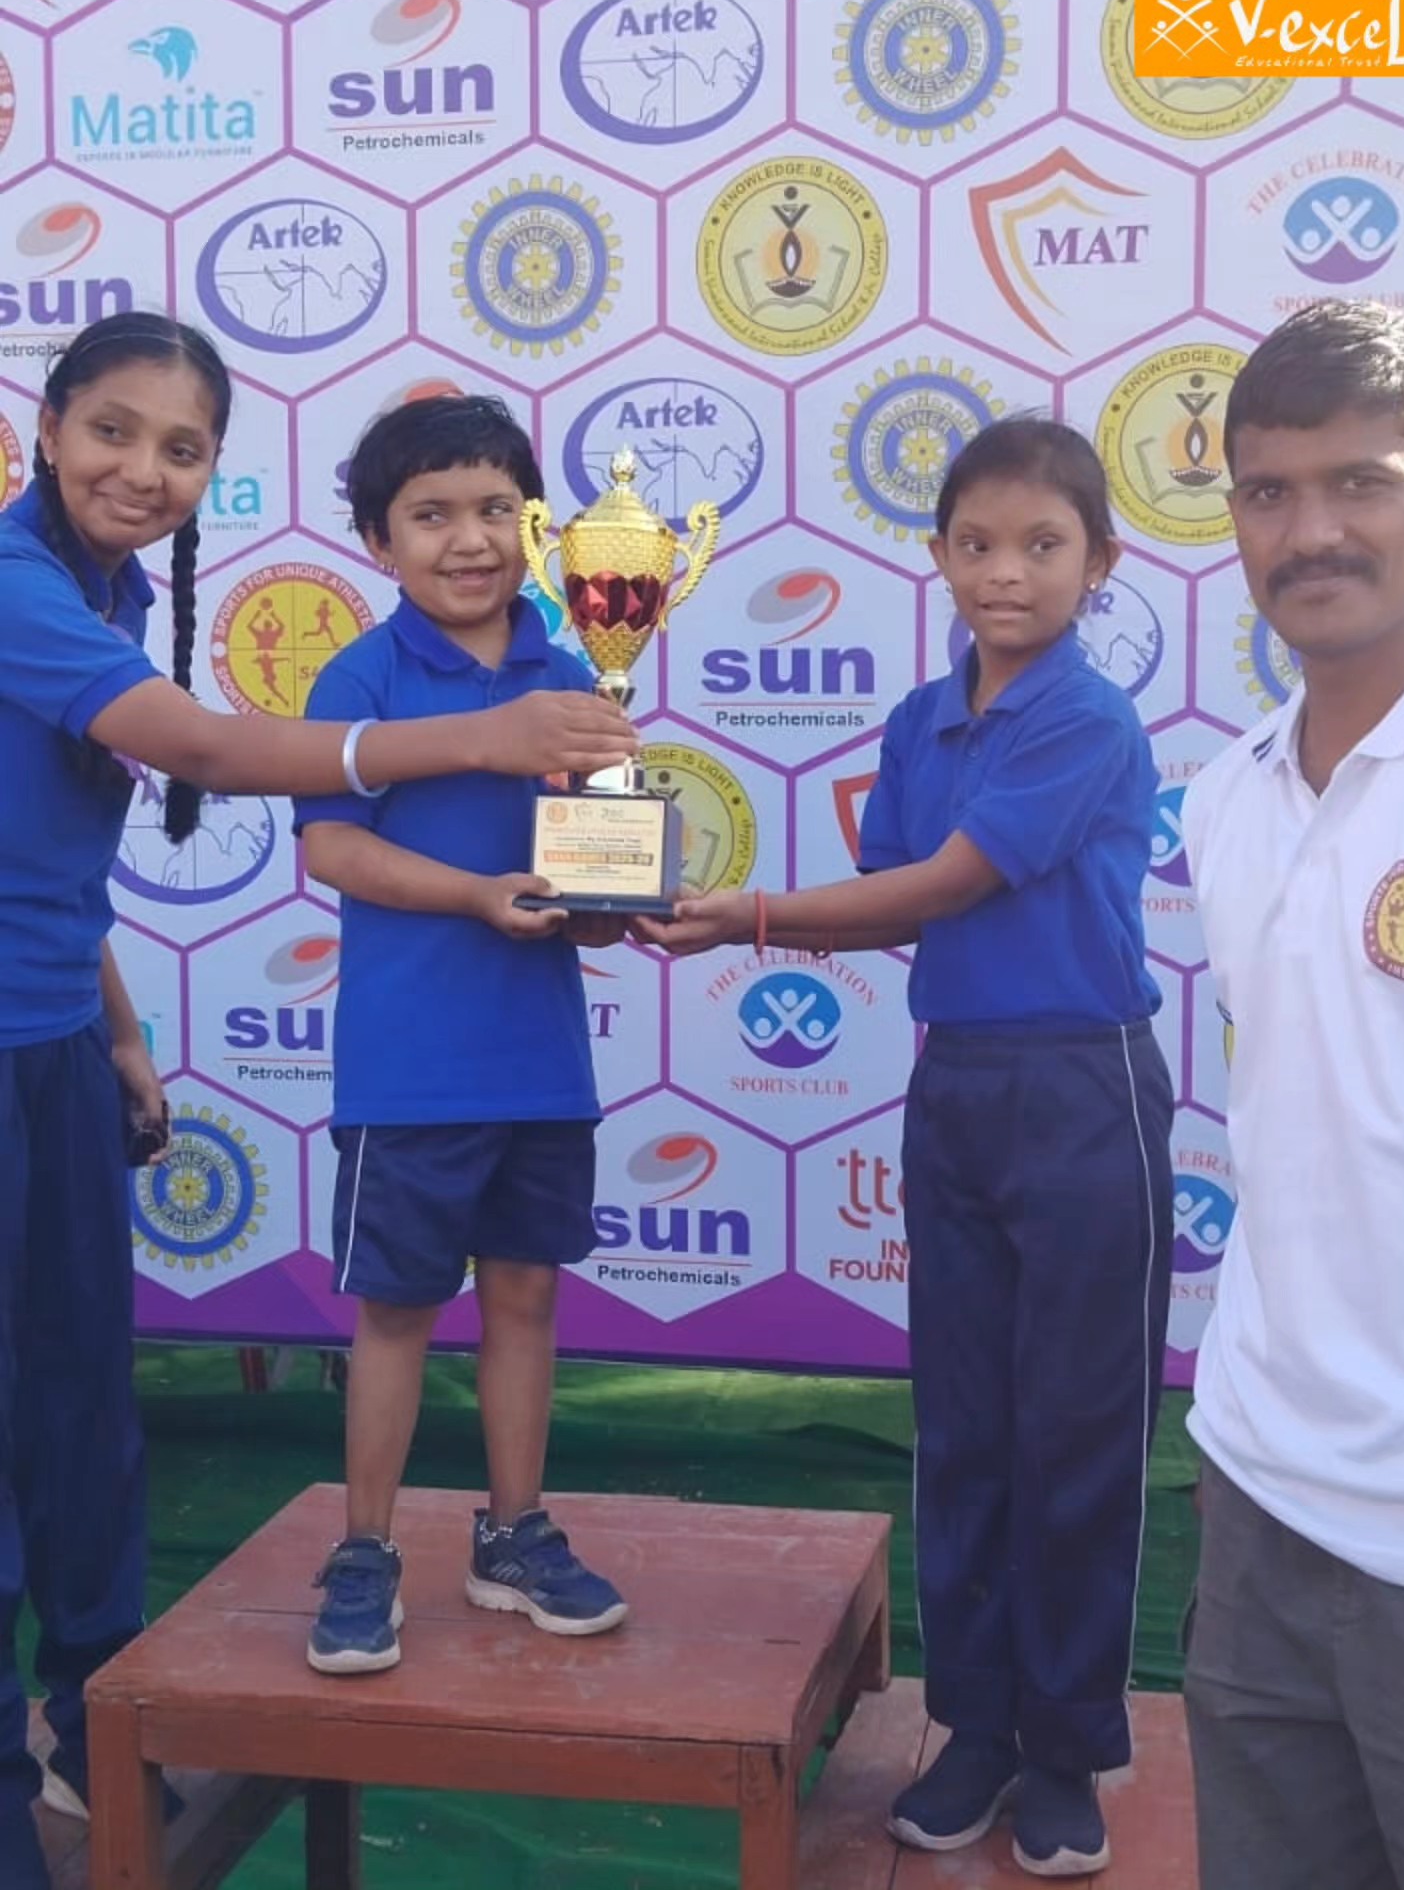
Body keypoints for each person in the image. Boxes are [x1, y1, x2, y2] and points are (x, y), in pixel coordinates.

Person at [0, 315, 635, 1889]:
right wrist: (483, 743)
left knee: (83, 1409)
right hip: (52, 1057)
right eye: (113, 432)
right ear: (48, 425)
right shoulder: (19, 588)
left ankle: (87, 1722)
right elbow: (210, 749)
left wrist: (121, 1034)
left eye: (183, 448)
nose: (143, 471)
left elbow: (39, 867)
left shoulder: (112, 591)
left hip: (57, 1043)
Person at [640, 416, 1174, 1877]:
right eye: (978, 543)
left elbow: (937, 887)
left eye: (1043, 545)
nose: (1008, 572)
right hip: (957, 1089)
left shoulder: (1087, 720)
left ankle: (1068, 1749)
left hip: (1085, 1090)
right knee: (965, 1426)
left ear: (1102, 562)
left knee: (1077, 1434)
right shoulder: (917, 720)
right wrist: (705, 900)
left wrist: (741, 917)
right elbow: (893, 891)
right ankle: (978, 1727)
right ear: (937, 555)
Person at [294, 394, 629, 1679]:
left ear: (534, 529)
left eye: (496, 509)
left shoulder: (578, 672)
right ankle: (365, 1549)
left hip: (542, 1063)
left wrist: (609, 903)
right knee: (395, 1313)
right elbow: (334, 849)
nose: (469, 539)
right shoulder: (361, 679)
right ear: (380, 542)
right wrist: (477, 897)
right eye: (431, 515)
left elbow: (591, 859)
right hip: (410, 1067)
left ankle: (514, 1534)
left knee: (526, 1300)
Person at [1179, 300, 1404, 1890]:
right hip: (1261, 1485)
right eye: (1270, 491)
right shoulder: (1225, 798)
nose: (1312, 531)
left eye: (1364, 483)